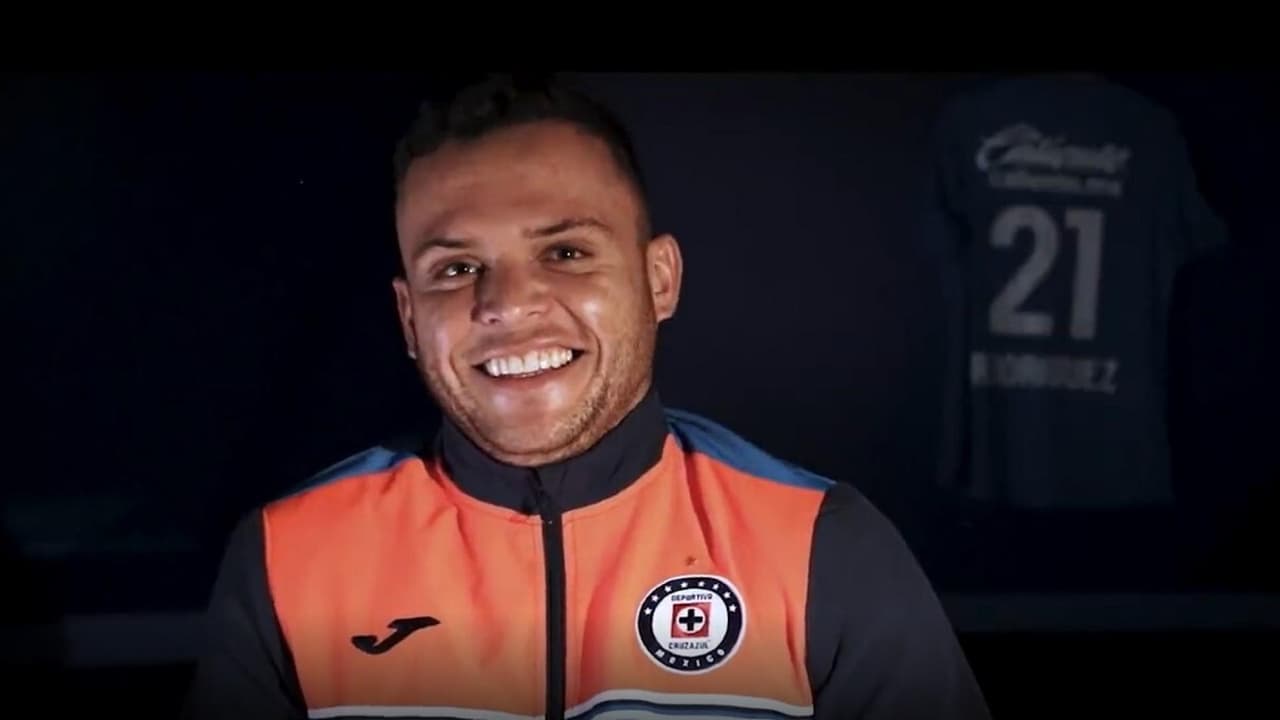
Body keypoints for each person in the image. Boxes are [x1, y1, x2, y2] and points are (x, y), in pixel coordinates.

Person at [181, 74, 991, 720]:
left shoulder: (822, 546)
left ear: (659, 279)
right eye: (456, 269)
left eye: (565, 252)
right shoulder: (289, 559)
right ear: (407, 317)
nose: (506, 305)